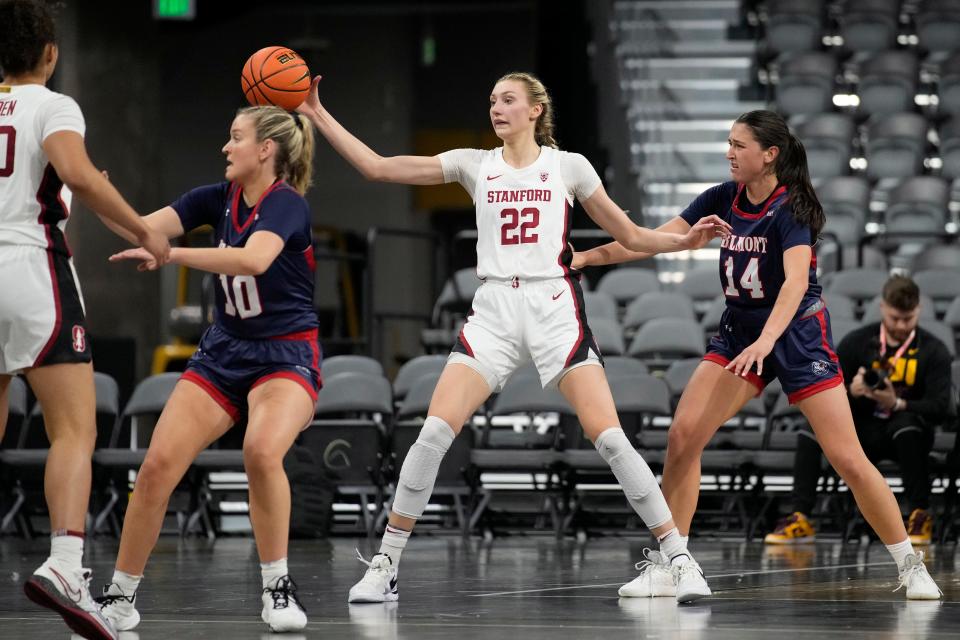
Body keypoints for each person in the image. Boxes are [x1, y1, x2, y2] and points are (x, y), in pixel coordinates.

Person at [297, 71, 732, 605]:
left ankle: (678, 559)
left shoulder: (568, 167)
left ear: (534, 111)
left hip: (553, 306)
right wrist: (316, 113)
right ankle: (386, 564)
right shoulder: (472, 164)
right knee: (432, 432)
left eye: (507, 100)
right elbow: (377, 168)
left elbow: (632, 235)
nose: (496, 108)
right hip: (495, 310)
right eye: (491, 101)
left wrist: (683, 241)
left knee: (611, 438)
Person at [572, 110, 942, 600]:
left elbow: (793, 284)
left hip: (795, 335)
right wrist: (583, 258)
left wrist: (767, 341)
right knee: (684, 435)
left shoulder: (794, 209)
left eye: (738, 145)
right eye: (728, 143)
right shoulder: (721, 198)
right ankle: (671, 562)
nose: (729, 152)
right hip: (738, 332)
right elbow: (650, 241)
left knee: (847, 457)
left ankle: (910, 564)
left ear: (769, 155)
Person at [95, 105, 319, 632]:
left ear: (266, 149)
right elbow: (144, 231)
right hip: (224, 351)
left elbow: (253, 261)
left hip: (285, 353)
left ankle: (277, 589)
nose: (226, 146)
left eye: (235, 137)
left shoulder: (287, 205)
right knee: (154, 469)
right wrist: (98, 197)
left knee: (261, 452)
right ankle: (119, 597)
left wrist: (171, 255)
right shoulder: (214, 198)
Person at [0, 2, 170, 638]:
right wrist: (145, 229)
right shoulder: (53, 105)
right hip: (29, 267)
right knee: (72, 429)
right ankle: (67, 566)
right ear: (50, 51)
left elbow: (77, 182)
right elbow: (75, 173)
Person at [766, 275, 953, 545]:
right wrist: (849, 393)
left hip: (906, 431)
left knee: (908, 426)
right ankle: (801, 516)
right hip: (862, 427)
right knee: (810, 431)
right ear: (882, 308)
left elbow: (940, 409)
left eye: (907, 319)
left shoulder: (934, 350)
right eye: (894, 318)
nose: (900, 325)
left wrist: (897, 403)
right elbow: (828, 392)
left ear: (919, 311)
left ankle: (919, 514)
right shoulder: (857, 342)